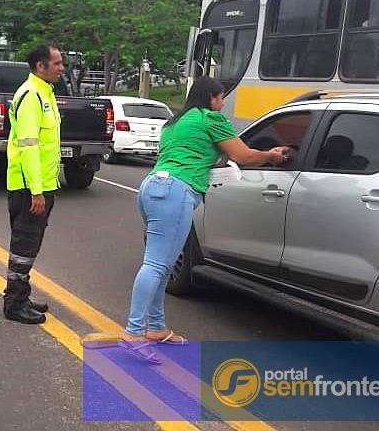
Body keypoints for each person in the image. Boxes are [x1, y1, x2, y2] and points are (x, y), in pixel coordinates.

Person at [120, 76, 289, 363]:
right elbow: (243, 156)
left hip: (151, 188)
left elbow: (194, 155)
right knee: (156, 265)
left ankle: (157, 329)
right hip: (176, 192)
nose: (223, 103)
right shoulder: (210, 118)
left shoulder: (174, 123)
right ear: (212, 98)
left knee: (162, 265)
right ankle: (133, 333)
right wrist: (271, 156)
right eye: (222, 97)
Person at [3, 43, 64, 324]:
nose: (61, 68)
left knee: (30, 245)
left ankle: (21, 295)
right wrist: (36, 191)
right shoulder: (31, 96)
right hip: (29, 187)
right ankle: (14, 304)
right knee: (23, 247)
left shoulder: (45, 93)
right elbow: (28, 146)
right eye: (57, 63)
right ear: (41, 66)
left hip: (42, 184)